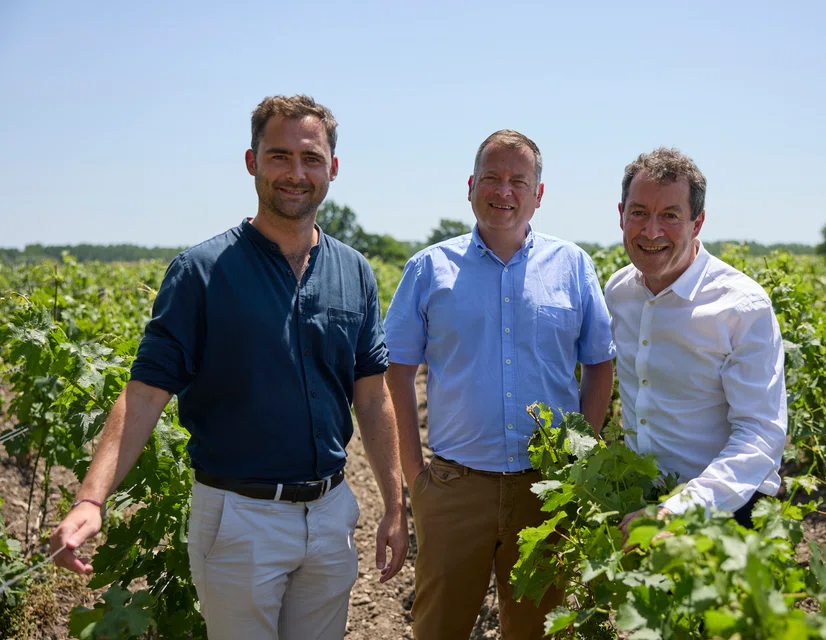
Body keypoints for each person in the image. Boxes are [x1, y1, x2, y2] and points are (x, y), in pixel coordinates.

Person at [49, 95, 408, 640]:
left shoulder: (353, 271)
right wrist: (91, 499)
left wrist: (393, 504)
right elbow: (146, 392)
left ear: (332, 168)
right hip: (240, 519)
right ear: (251, 162)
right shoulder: (201, 272)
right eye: (279, 156)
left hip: (331, 513)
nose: (296, 173)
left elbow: (373, 397)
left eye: (311, 158)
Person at [384, 130, 616, 640]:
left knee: (536, 631)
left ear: (539, 193)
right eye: (491, 178)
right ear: (471, 186)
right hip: (453, 489)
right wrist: (414, 476)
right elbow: (396, 371)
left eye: (518, 180)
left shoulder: (573, 266)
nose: (503, 191)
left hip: (544, 489)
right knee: (438, 628)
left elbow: (600, 363)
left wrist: (581, 462)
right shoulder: (429, 269)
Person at [606, 147, 787, 539]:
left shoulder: (741, 306)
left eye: (670, 216)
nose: (651, 231)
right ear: (621, 214)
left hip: (727, 511)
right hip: (641, 505)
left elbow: (761, 434)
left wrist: (679, 510)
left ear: (698, 222)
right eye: (639, 213)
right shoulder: (619, 292)